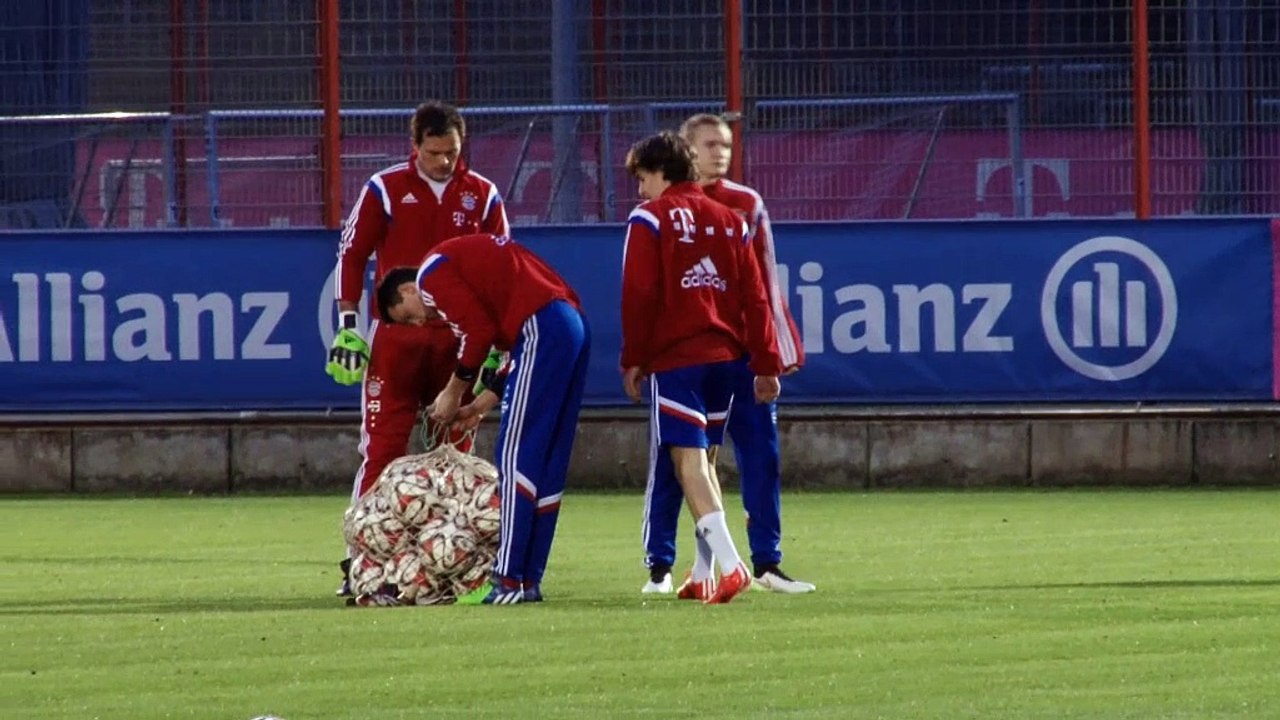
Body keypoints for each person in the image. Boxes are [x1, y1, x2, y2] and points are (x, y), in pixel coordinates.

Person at [328, 100, 509, 597]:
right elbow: (352, 252)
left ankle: (448, 562)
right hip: (398, 340)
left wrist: (494, 347)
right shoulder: (385, 189)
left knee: (454, 454)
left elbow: (502, 268)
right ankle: (360, 560)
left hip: (460, 343)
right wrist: (348, 324)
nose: (445, 161)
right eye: (435, 153)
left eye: (452, 151)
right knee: (381, 450)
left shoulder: (484, 194)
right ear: (415, 148)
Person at [639, 114, 816, 595]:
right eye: (709, 145)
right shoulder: (661, 206)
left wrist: (773, 353)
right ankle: (664, 565)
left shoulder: (745, 204)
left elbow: (764, 283)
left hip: (735, 352)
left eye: (726, 145)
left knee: (752, 456)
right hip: (692, 351)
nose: (720, 153)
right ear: (685, 151)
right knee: (684, 459)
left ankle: (763, 563)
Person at [376, 232, 590, 605]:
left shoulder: (432, 273)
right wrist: (478, 407)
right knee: (548, 461)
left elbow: (478, 332)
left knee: (515, 457)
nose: (421, 322)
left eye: (408, 316)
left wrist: (452, 393)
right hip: (569, 325)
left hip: (540, 327)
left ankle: (508, 579)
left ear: (410, 290)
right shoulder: (471, 268)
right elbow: (512, 349)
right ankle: (528, 580)